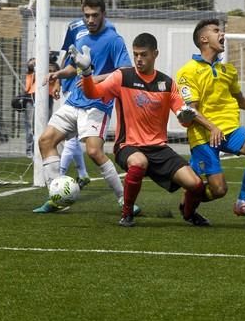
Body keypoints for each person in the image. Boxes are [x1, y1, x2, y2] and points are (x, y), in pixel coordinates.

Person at [78, 33, 221, 227]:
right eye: (136, 54)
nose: (138, 59)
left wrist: (186, 118)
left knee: (195, 185)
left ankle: (189, 213)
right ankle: (127, 213)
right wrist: (87, 73)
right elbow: (92, 92)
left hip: (159, 149)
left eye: (143, 54)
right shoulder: (122, 76)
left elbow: (184, 118)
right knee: (139, 162)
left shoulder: (168, 84)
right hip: (128, 146)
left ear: (155, 54)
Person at [33, 0, 137, 214]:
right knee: (45, 140)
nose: (90, 20)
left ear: (103, 15)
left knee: (93, 151)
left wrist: (98, 78)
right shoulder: (81, 39)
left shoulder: (113, 39)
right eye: (87, 15)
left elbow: (126, 70)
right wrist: (60, 74)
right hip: (75, 101)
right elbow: (75, 67)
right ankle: (56, 197)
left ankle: (124, 201)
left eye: (95, 15)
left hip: (97, 104)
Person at [176, 18, 245, 220]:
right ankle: (188, 208)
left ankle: (242, 203)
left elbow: (243, 102)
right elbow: (192, 109)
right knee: (218, 190)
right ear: (204, 39)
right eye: (217, 31)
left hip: (229, 130)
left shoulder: (228, 70)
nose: (222, 34)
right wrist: (213, 127)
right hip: (204, 136)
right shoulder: (187, 71)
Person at [57, 0, 105, 187]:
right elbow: (66, 55)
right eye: (85, 8)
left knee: (74, 137)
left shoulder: (107, 31)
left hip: (92, 89)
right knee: (71, 135)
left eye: (94, 12)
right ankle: (77, 174)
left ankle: (60, 177)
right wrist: (57, 79)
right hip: (71, 85)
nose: (89, 17)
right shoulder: (74, 26)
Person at [24, 58, 61, 159]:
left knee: (46, 124)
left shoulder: (54, 66)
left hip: (47, 97)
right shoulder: (36, 62)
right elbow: (29, 65)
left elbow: (58, 76)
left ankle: (43, 149)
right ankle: (30, 150)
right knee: (31, 125)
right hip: (32, 96)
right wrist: (39, 60)